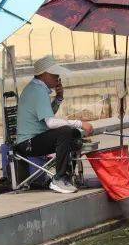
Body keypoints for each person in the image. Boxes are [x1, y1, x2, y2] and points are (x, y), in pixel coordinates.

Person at [14, 55, 94, 194]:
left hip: (35, 139)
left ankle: (68, 175)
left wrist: (58, 98)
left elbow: (46, 115)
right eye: (54, 74)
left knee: (73, 133)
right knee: (66, 132)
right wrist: (79, 123)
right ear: (43, 74)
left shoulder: (37, 88)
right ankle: (59, 178)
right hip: (28, 144)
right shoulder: (38, 91)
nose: (57, 77)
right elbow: (50, 123)